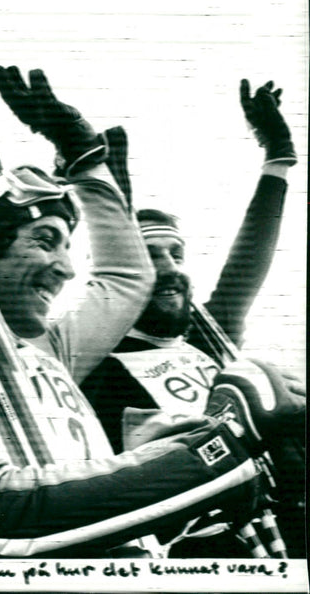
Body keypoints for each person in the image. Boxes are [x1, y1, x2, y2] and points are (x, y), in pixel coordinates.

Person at [0, 66, 299, 559]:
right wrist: (219, 446)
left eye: (68, 247)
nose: (66, 271)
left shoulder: (51, 351)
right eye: (45, 242)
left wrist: (85, 161)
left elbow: (126, 277)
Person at [81, 79, 306, 556]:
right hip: (203, 545)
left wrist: (278, 156)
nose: (169, 269)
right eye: (150, 256)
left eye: (176, 254)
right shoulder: (97, 362)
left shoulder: (204, 336)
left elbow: (248, 262)